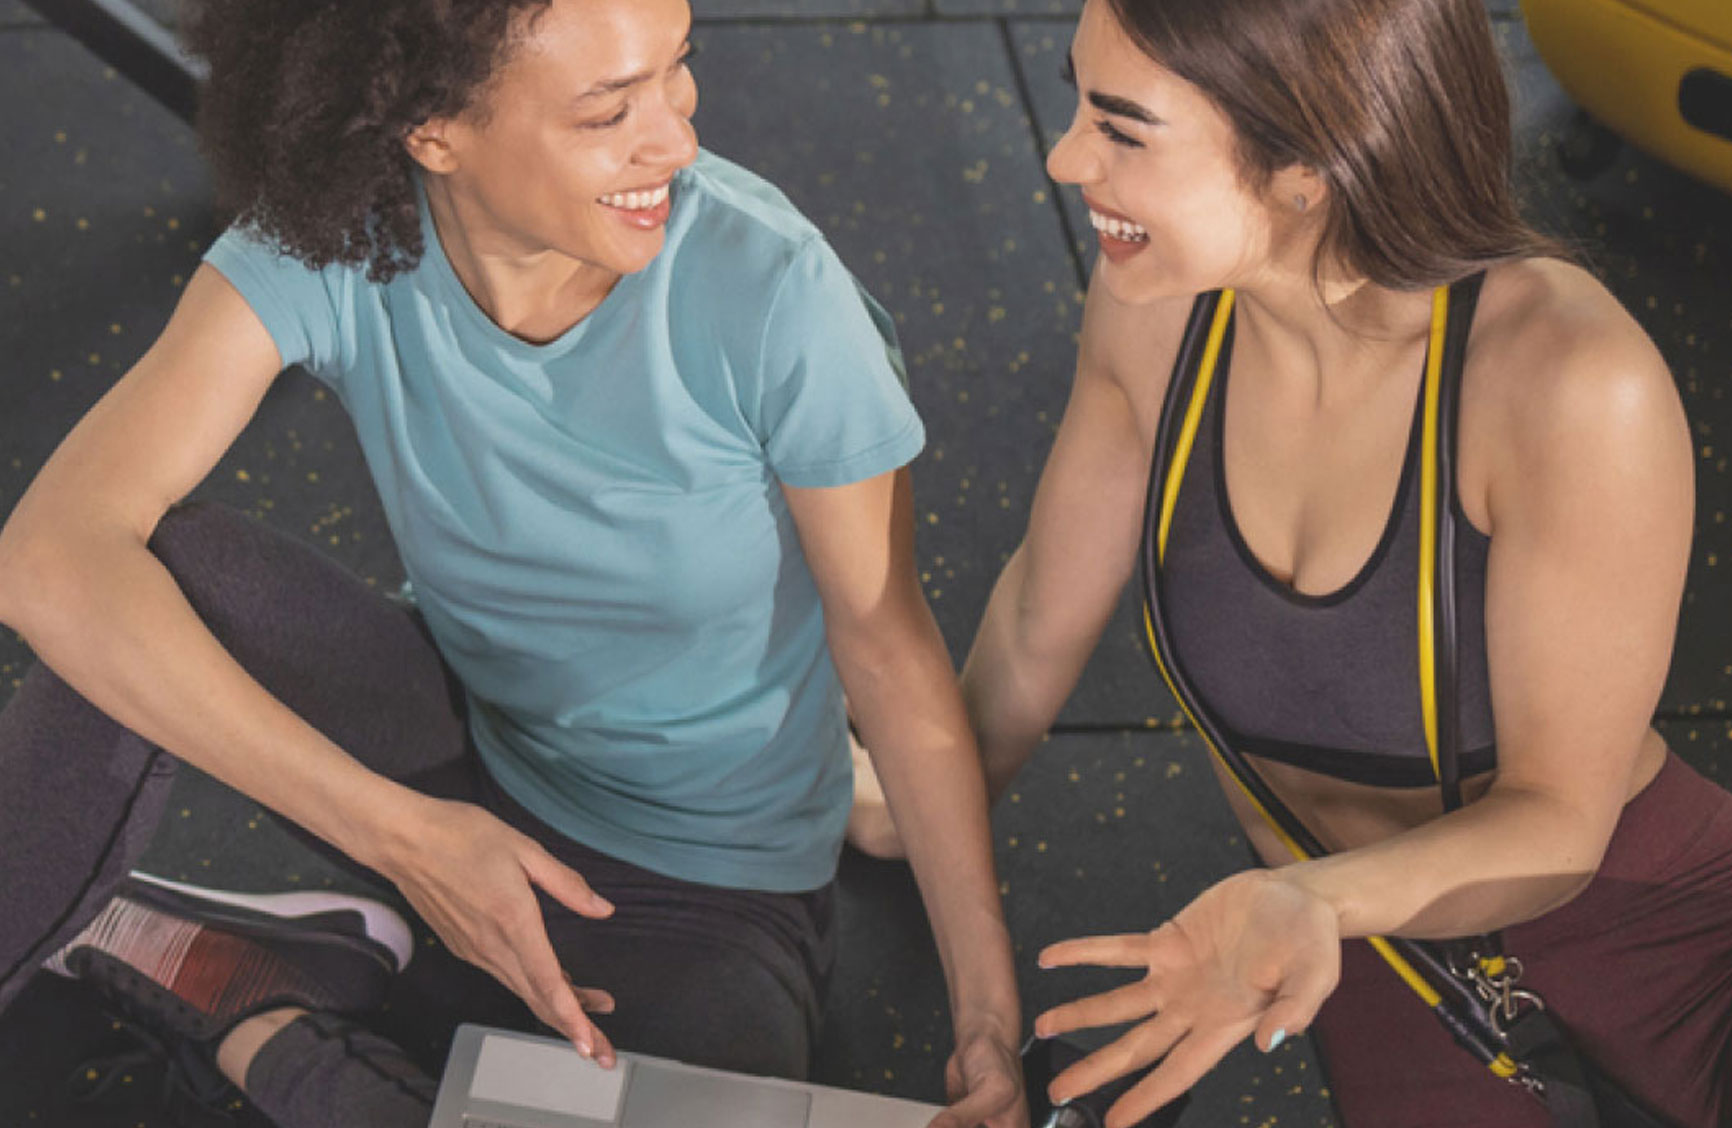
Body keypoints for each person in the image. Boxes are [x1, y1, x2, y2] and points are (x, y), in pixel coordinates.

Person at [0, 1, 1027, 1126]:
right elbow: (48, 557)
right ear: (431, 128)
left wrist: (985, 1016)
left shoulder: (773, 292)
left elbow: (891, 654)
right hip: (447, 753)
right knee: (139, 571)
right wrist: (403, 836)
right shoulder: (336, 236)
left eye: (676, 71)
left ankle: (249, 1003)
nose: (675, 139)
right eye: (607, 110)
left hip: (706, 884)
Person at [852, 0, 1732, 1123]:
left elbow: (1562, 824)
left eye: (1123, 129)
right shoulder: (1153, 320)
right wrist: (914, 799)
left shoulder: (1565, 382)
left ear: (1307, 164)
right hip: (1372, 961)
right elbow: (1034, 622)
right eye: (1076, 101)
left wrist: (1304, 898)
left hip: (1652, 936)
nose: (1066, 156)